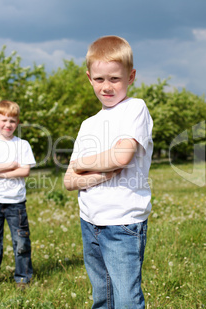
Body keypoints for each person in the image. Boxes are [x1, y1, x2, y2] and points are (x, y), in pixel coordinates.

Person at [64, 35, 153, 308]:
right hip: (89, 221)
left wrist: (82, 163)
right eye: (100, 79)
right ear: (89, 78)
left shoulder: (134, 109)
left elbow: (121, 156)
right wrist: (99, 173)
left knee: (126, 299)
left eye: (115, 79)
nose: (107, 86)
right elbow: (69, 180)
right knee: (102, 297)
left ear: (131, 76)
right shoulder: (88, 124)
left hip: (122, 222)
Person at [0, 100, 36, 290]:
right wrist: (11, 165)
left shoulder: (23, 145)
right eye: (3, 120)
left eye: (12, 121)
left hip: (16, 202)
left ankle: (22, 278)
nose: (8, 125)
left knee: (21, 241)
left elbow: (25, 171)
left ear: (17, 123)